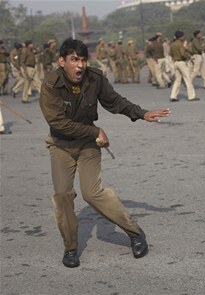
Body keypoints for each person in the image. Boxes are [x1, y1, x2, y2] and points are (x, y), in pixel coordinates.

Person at [39, 38, 171, 268]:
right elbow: (58, 123)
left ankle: (135, 233)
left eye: (83, 60)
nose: (80, 66)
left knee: (92, 193)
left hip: (89, 145)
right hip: (62, 146)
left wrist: (142, 113)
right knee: (62, 194)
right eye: (73, 60)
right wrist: (96, 130)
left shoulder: (95, 77)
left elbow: (115, 102)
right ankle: (70, 248)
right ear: (62, 61)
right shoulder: (50, 84)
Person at [169, 31, 200, 102]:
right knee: (188, 79)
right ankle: (191, 96)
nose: (184, 37)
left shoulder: (172, 44)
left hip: (175, 62)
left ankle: (173, 96)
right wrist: (189, 57)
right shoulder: (180, 44)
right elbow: (183, 54)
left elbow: (170, 54)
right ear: (180, 37)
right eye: (183, 36)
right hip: (181, 63)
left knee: (177, 81)